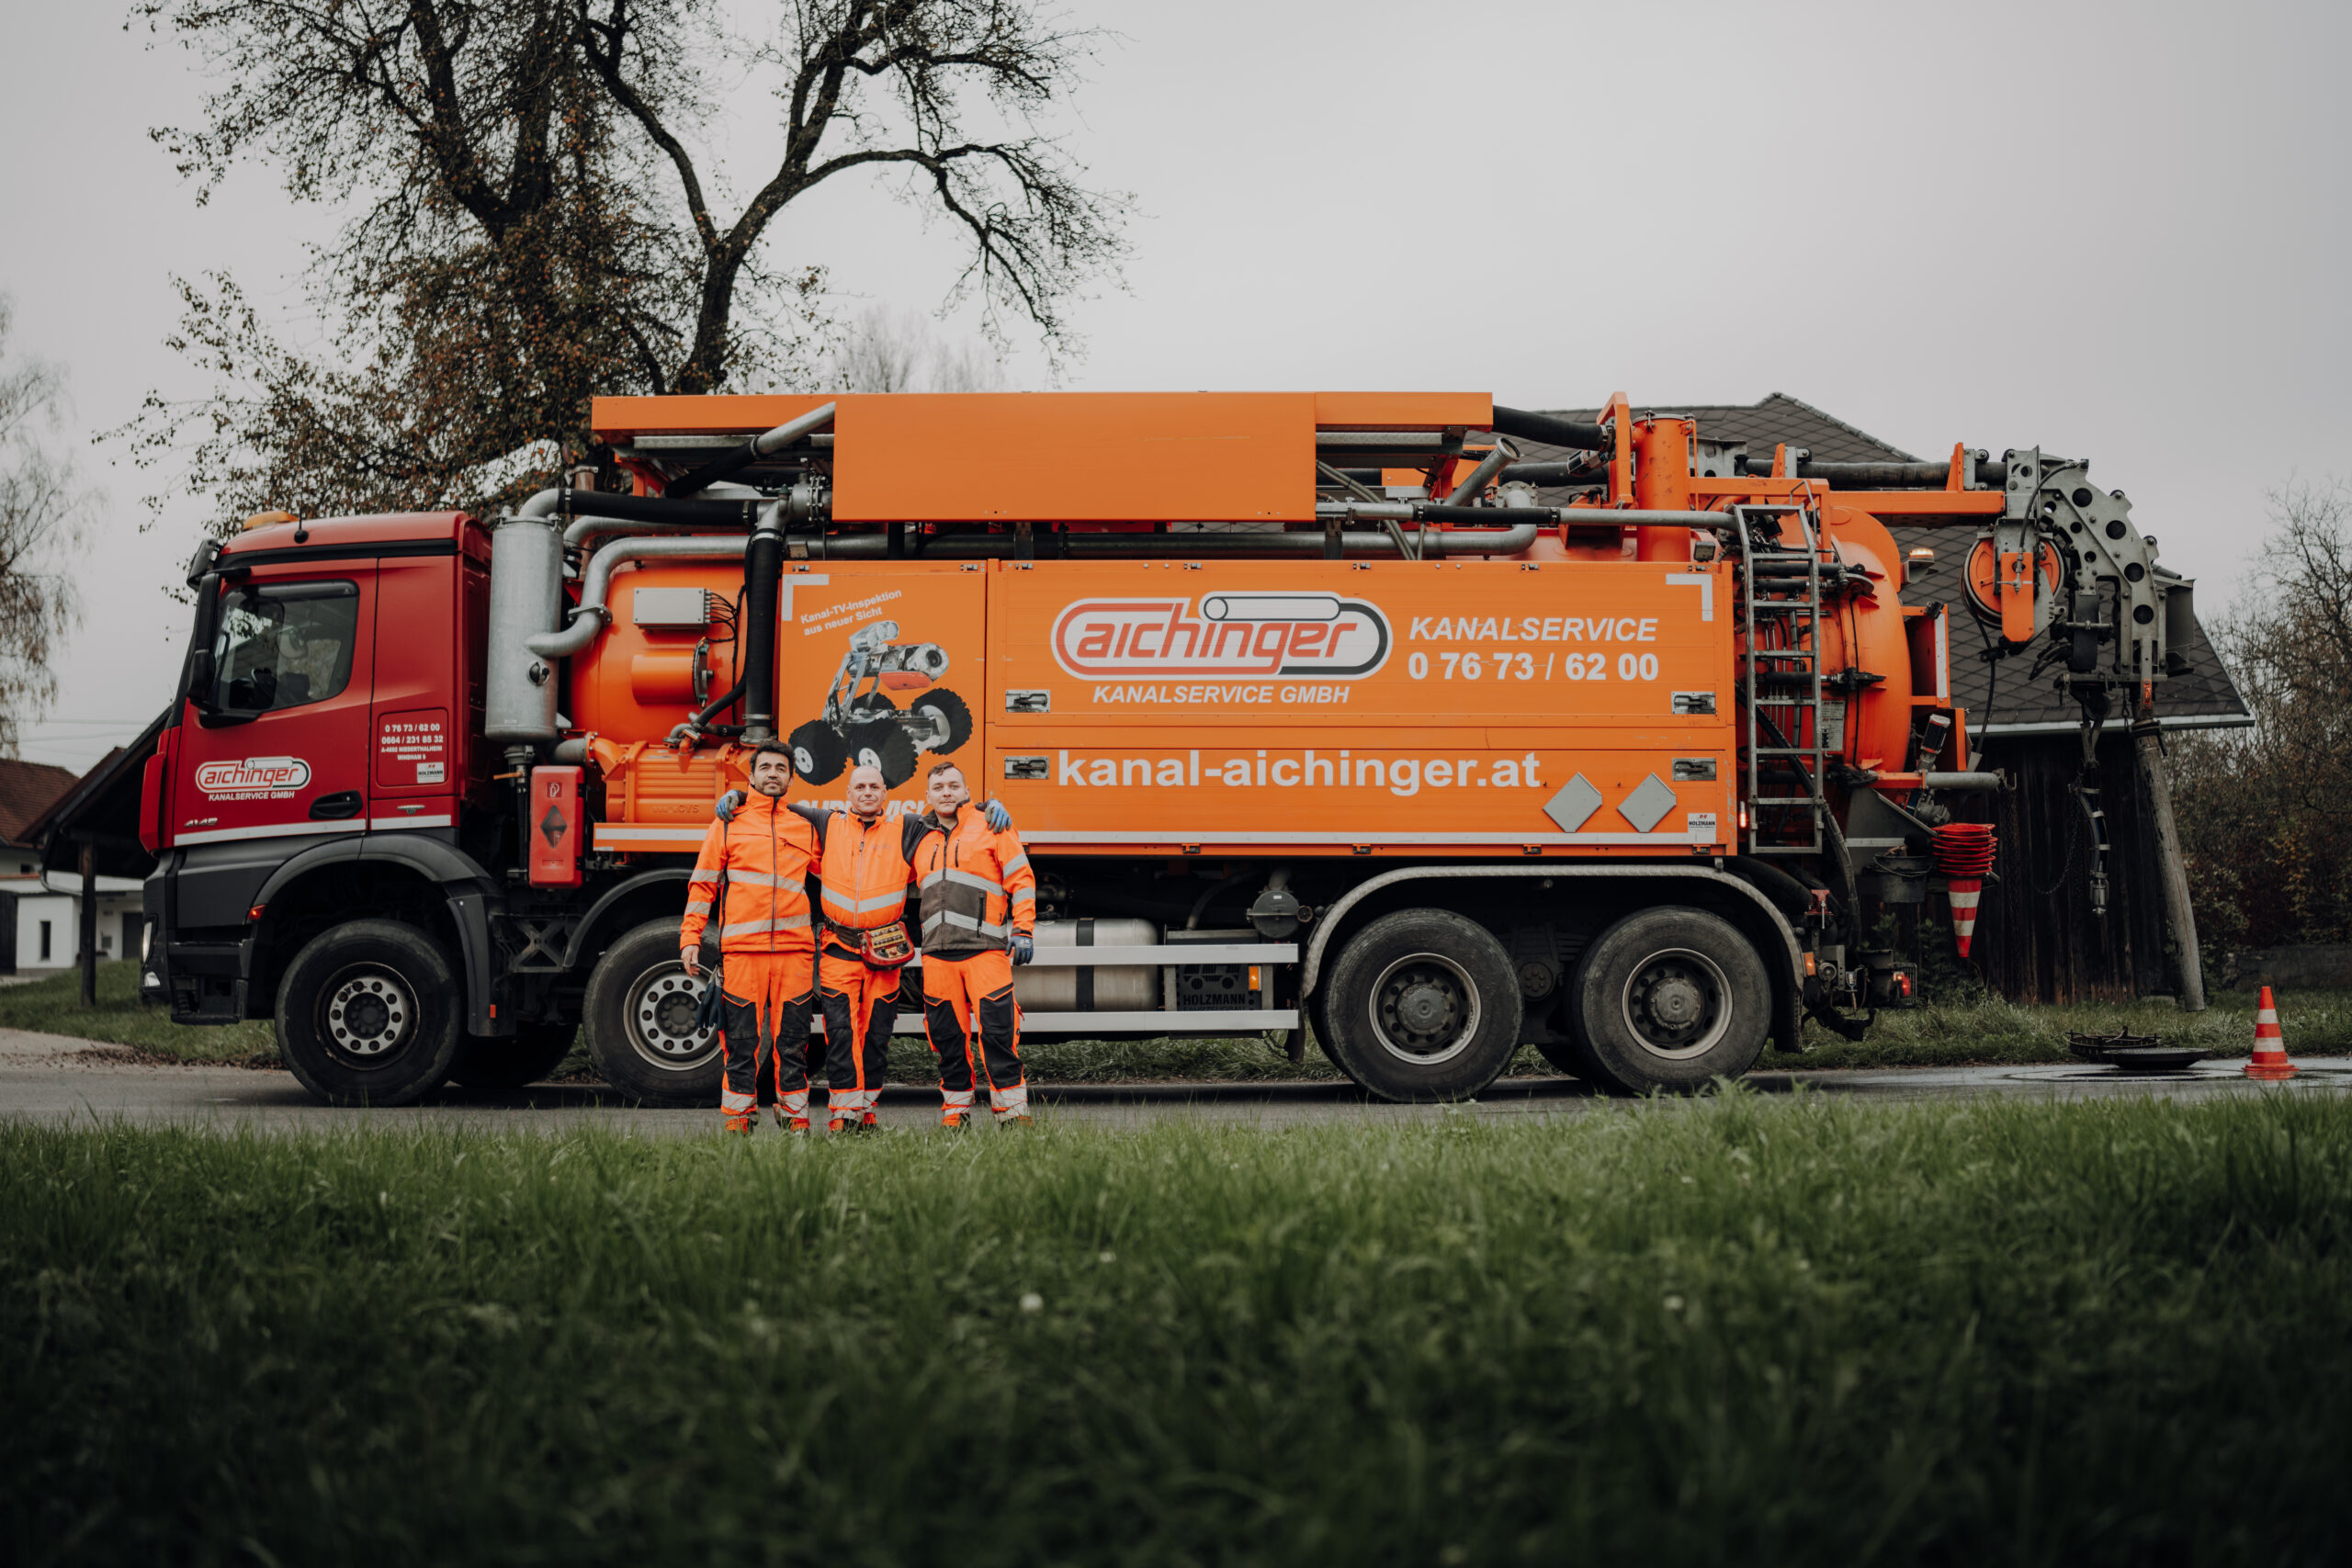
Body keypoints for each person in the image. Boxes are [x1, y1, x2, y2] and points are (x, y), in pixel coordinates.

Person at [714, 771, 1015, 1131]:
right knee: (840, 1034)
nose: (867, 792)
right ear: (848, 793)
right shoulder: (826, 823)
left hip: (883, 952)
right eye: (860, 786)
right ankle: (844, 1116)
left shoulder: (907, 827)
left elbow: (948, 816)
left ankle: (866, 1112)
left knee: (875, 1037)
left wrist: (985, 807)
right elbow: (776, 804)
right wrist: (740, 797)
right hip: (839, 949)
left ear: (886, 792)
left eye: (874, 787)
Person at [680, 740, 820, 1134]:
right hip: (742, 954)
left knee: (792, 1041)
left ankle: (794, 1115)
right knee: (740, 1042)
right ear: (752, 775)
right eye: (766, 767)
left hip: (795, 953)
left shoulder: (806, 827)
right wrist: (690, 937)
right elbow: (702, 885)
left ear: (791, 777)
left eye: (781, 768)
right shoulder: (727, 823)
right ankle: (739, 1117)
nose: (773, 773)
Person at [910, 761, 1036, 1127]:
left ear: (967, 792)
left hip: (986, 952)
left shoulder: (992, 825)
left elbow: (1022, 880)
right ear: (928, 796)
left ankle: (1013, 1114)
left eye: (953, 786)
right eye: (939, 787)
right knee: (947, 1040)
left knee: (999, 1035)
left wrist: (1024, 929)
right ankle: (955, 1113)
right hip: (937, 957)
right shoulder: (918, 836)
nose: (946, 792)